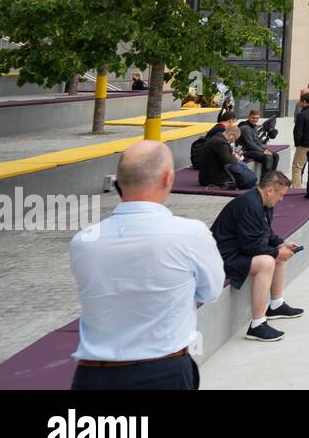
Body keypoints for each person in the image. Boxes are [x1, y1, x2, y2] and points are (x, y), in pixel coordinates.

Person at [70, 141, 223, 389]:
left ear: (118, 182)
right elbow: (211, 292)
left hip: (92, 376)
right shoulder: (191, 234)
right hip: (162, 371)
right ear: (167, 178)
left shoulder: (83, 241)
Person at [210, 170, 304, 343]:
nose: (281, 199)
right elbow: (250, 245)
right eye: (281, 195)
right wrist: (276, 252)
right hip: (222, 258)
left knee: (279, 252)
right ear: (269, 191)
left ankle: (276, 305)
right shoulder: (249, 205)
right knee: (267, 261)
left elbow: (265, 232)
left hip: (236, 251)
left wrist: (280, 244)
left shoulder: (261, 202)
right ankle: (257, 325)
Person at [197, 124, 256, 189]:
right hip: (211, 178)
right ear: (231, 135)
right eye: (235, 139)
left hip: (209, 174)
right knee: (242, 167)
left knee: (243, 166)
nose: (234, 141)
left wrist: (232, 154)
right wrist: (237, 157)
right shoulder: (220, 142)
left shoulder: (217, 139)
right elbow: (229, 162)